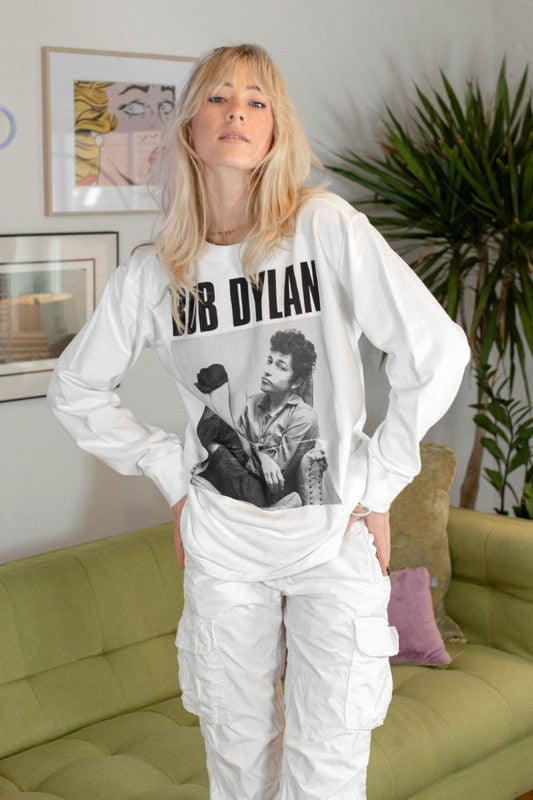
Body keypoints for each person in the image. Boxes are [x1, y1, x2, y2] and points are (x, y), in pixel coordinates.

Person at [47, 43, 471, 800]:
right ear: (189, 124)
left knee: (326, 770)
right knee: (238, 765)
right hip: (223, 549)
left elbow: (435, 351)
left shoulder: (321, 227)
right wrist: (173, 476)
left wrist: (379, 483)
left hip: (332, 538)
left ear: (276, 127)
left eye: (256, 99)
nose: (235, 112)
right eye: (216, 97)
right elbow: (76, 386)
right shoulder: (157, 271)